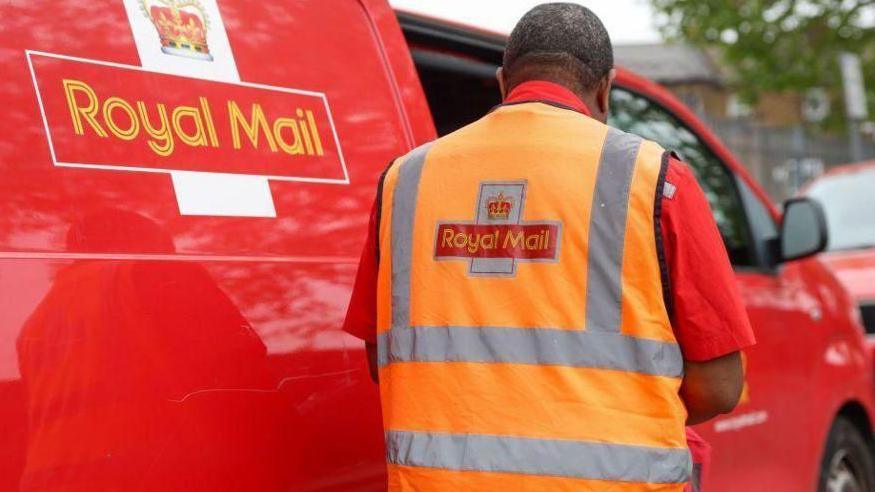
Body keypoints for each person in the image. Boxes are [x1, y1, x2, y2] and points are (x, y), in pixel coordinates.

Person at [343, 3, 755, 490]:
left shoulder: (404, 180)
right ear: (606, 88)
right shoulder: (656, 180)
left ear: (502, 82)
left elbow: (382, 359)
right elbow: (721, 387)